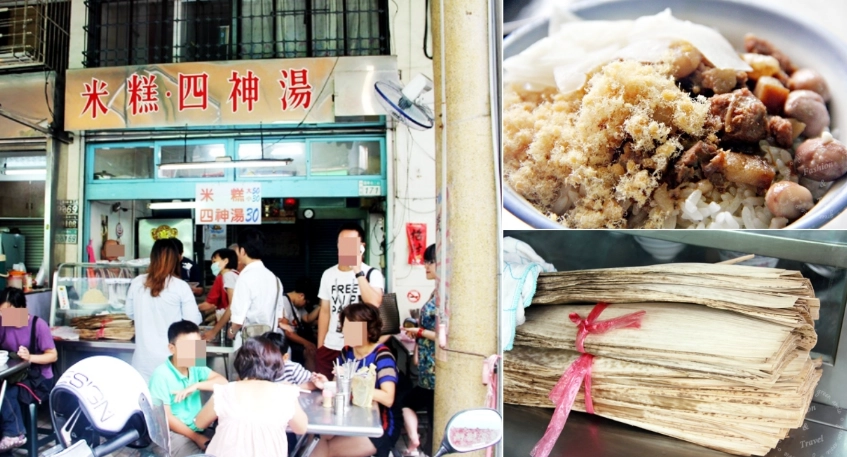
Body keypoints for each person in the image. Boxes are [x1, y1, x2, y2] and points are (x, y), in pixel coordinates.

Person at [193, 336, 308, 457]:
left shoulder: (225, 392)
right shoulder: (286, 394)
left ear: (240, 363)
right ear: (277, 364)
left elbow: (199, 423)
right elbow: (301, 428)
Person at [311, 303, 399, 457]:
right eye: (345, 327)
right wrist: (326, 384)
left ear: (368, 330)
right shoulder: (347, 352)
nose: (346, 332)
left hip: (379, 427)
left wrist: (352, 379)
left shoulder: (382, 356)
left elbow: (388, 398)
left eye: (353, 327)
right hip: (352, 419)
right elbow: (340, 388)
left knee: (328, 450)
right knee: (321, 438)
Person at [127, 239, 202, 382]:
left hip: (144, 359)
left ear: (152, 258)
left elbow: (130, 313)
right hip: (176, 358)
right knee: (181, 401)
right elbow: (192, 322)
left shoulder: (137, 282)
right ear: (175, 260)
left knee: (148, 401)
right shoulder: (180, 286)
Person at [148, 320, 228, 457]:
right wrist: (196, 438)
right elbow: (166, 418)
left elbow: (223, 383)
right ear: (172, 348)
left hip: (197, 428)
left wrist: (196, 385)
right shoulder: (161, 375)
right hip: (171, 434)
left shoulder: (196, 366)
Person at [316, 223, 385, 379]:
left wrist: (357, 269)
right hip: (330, 344)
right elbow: (325, 311)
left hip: (357, 344)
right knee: (326, 389)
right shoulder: (328, 274)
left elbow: (374, 303)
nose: (345, 248)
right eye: (342, 243)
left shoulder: (371, 274)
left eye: (350, 243)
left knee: (353, 391)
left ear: (362, 247)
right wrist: (320, 346)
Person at [0, 287, 57, 452]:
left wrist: (30, 357)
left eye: (6, 312)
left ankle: (15, 433)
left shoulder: (38, 325)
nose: (3, 316)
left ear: (20, 309)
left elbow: (52, 356)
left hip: (39, 379)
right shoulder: (3, 323)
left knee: (6, 391)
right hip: (15, 375)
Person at [401, 244, 438, 456]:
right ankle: (419, 445)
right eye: (425, 261)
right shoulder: (436, 291)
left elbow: (447, 335)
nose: (425, 265)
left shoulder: (447, 294)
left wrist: (420, 331)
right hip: (427, 372)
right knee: (409, 403)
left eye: (430, 261)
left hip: (436, 373)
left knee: (435, 418)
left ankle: (422, 447)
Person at [226, 229, 286, 349]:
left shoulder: (244, 278)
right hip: (270, 346)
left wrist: (230, 333)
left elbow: (238, 321)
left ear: (242, 251)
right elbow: (280, 317)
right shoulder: (275, 279)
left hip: (250, 346)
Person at [279, 277, 320, 372]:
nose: (304, 306)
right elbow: (288, 333)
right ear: (301, 295)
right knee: (310, 351)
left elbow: (307, 319)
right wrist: (307, 343)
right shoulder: (284, 302)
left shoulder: (298, 306)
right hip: (288, 341)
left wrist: (320, 307)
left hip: (297, 339)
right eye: (306, 302)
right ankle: (311, 378)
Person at [198, 249, 239, 313]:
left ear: (226, 261)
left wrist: (193, 307)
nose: (212, 265)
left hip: (228, 318)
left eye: (214, 262)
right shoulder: (237, 275)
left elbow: (210, 304)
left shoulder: (223, 277)